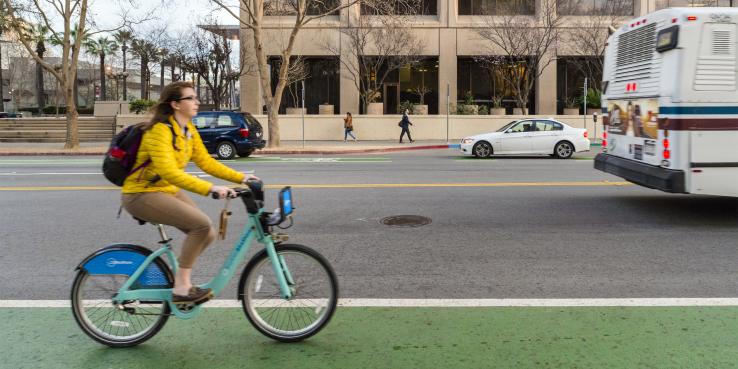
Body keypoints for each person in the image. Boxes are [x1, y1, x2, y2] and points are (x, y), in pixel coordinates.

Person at [120, 81, 258, 304]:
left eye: (195, 97)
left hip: (165, 190)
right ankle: (182, 288)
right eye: (191, 98)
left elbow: (206, 162)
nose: (197, 102)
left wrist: (240, 177)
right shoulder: (159, 131)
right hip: (141, 194)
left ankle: (176, 279)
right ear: (175, 104)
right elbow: (169, 172)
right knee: (201, 225)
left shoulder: (188, 130)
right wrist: (210, 188)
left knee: (208, 233)